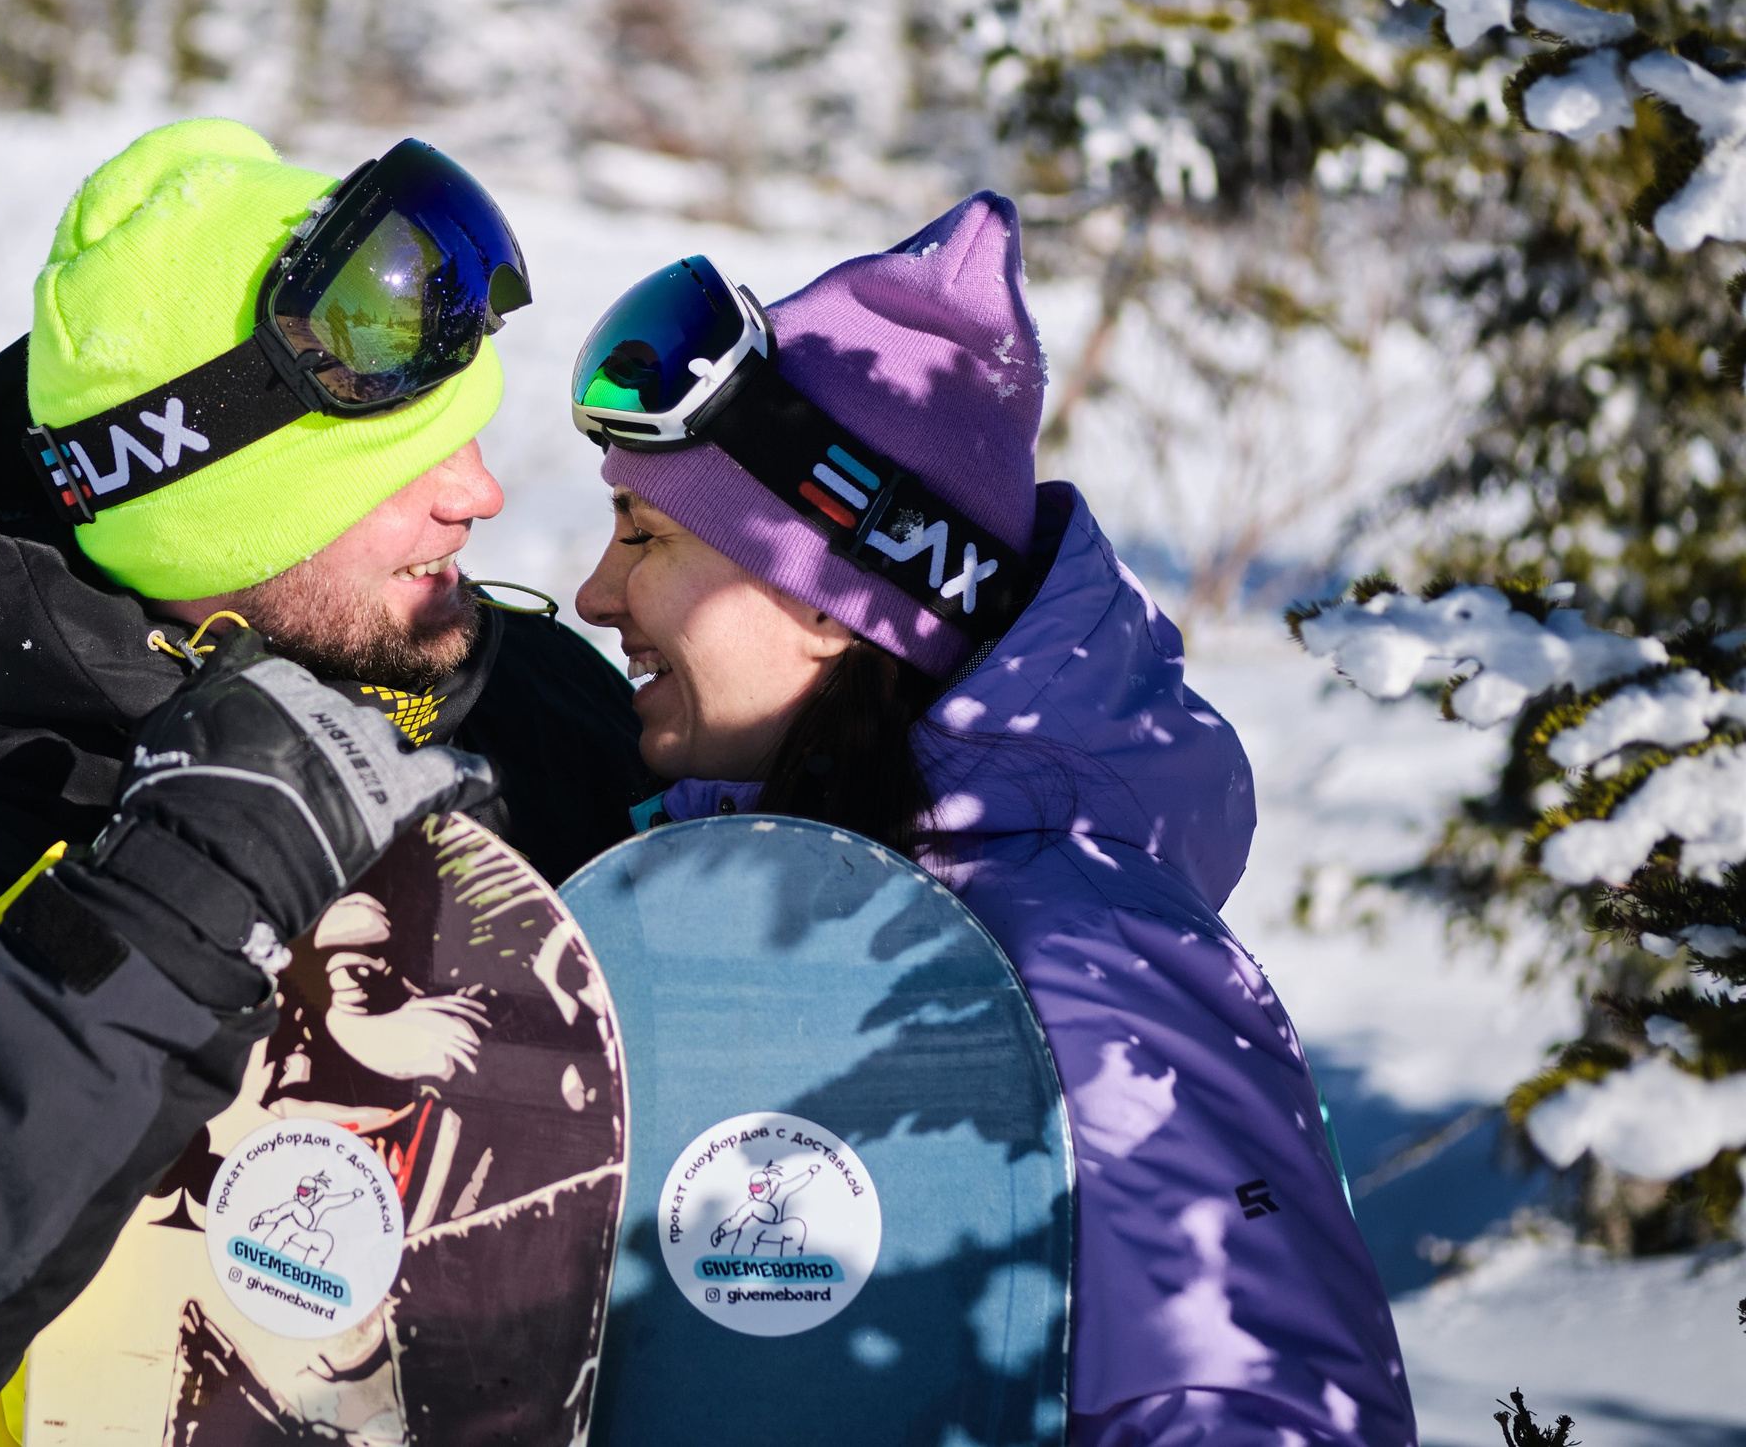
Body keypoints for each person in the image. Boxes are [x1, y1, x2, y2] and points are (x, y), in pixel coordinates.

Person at [0, 120, 651, 1447]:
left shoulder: (530, 691)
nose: (478, 490)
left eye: (469, 432)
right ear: (207, 505)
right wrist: (181, 885)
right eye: (404, 463)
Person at [569, 191, 1417, 1447]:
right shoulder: (710, 887)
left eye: (645, 535)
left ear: (835, 599)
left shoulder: (1085, 960)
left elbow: (1248, 1405)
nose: (596, 592)